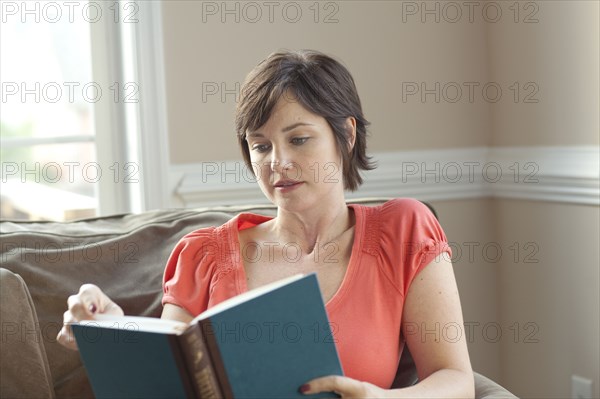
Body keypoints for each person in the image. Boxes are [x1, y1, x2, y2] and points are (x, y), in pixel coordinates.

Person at [58, 49, 474, 398]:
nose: (278, 163)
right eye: (260, 145)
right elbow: (173, 379)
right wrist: (116, 331)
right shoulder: (203, 255)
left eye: (298, 139)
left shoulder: (403, 230)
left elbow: (455, 379)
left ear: (345, 136)